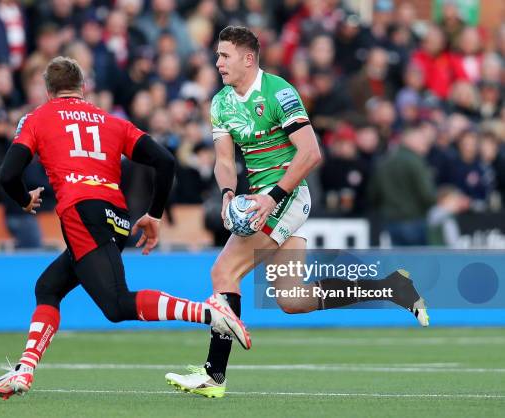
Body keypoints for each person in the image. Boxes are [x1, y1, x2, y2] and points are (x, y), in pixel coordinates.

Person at [165, 26, 429, 398]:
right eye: (218, 55)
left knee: (223, 270)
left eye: (224, 55)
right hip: (259, 197)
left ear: (248, 58)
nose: (218, 62)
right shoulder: (221, 102)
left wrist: (272, 197)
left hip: (286, 196)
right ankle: (391, 287)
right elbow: (224, 160)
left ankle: (214, 374)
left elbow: (311, 153)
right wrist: (227, 194)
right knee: (290, 299)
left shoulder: (279, 92)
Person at [0, 56, 250, 400]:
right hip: (117, 217)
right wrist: (154, 214)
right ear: (84, 88)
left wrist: (23, 199)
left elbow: (7, 174)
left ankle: (210, 311)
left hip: (81, 211)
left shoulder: (38, 118)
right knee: (48, 287)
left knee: (117, 306)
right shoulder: (111, 121)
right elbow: (165, 160)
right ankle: (24, 370)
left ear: (49, 90)